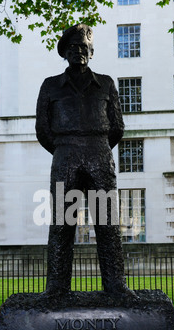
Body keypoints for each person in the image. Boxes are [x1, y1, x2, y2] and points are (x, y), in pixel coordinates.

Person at [36, 23, 133, 297]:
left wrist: (97, 146)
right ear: (65, 53)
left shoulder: (106, 83)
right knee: (61, 224)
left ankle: (115, 285)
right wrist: (63, 148)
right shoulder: (51, 86)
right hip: (65, 156)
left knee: (107, 223)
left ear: (91, 53)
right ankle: (56, 287)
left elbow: (117, 126)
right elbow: (42, 129)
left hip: (99, 154)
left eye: (84, 48)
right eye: (73, 48)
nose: (78, 51)